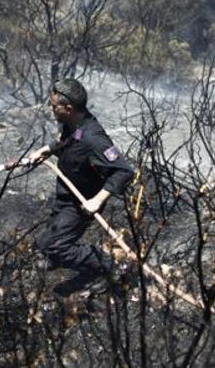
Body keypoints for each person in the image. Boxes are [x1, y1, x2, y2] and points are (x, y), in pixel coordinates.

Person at [28, 78, 134, 295]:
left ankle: (112, 266)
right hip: (65, 196)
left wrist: (97, 200)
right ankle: (62, 256)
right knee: (43, 245)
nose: (51, 108)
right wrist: (46, 150)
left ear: (68, 108)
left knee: (55, 248)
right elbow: (66, 139)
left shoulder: (94, 139)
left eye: (54, 105)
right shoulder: (72, 124)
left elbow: (124, 171)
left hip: (80, 203)